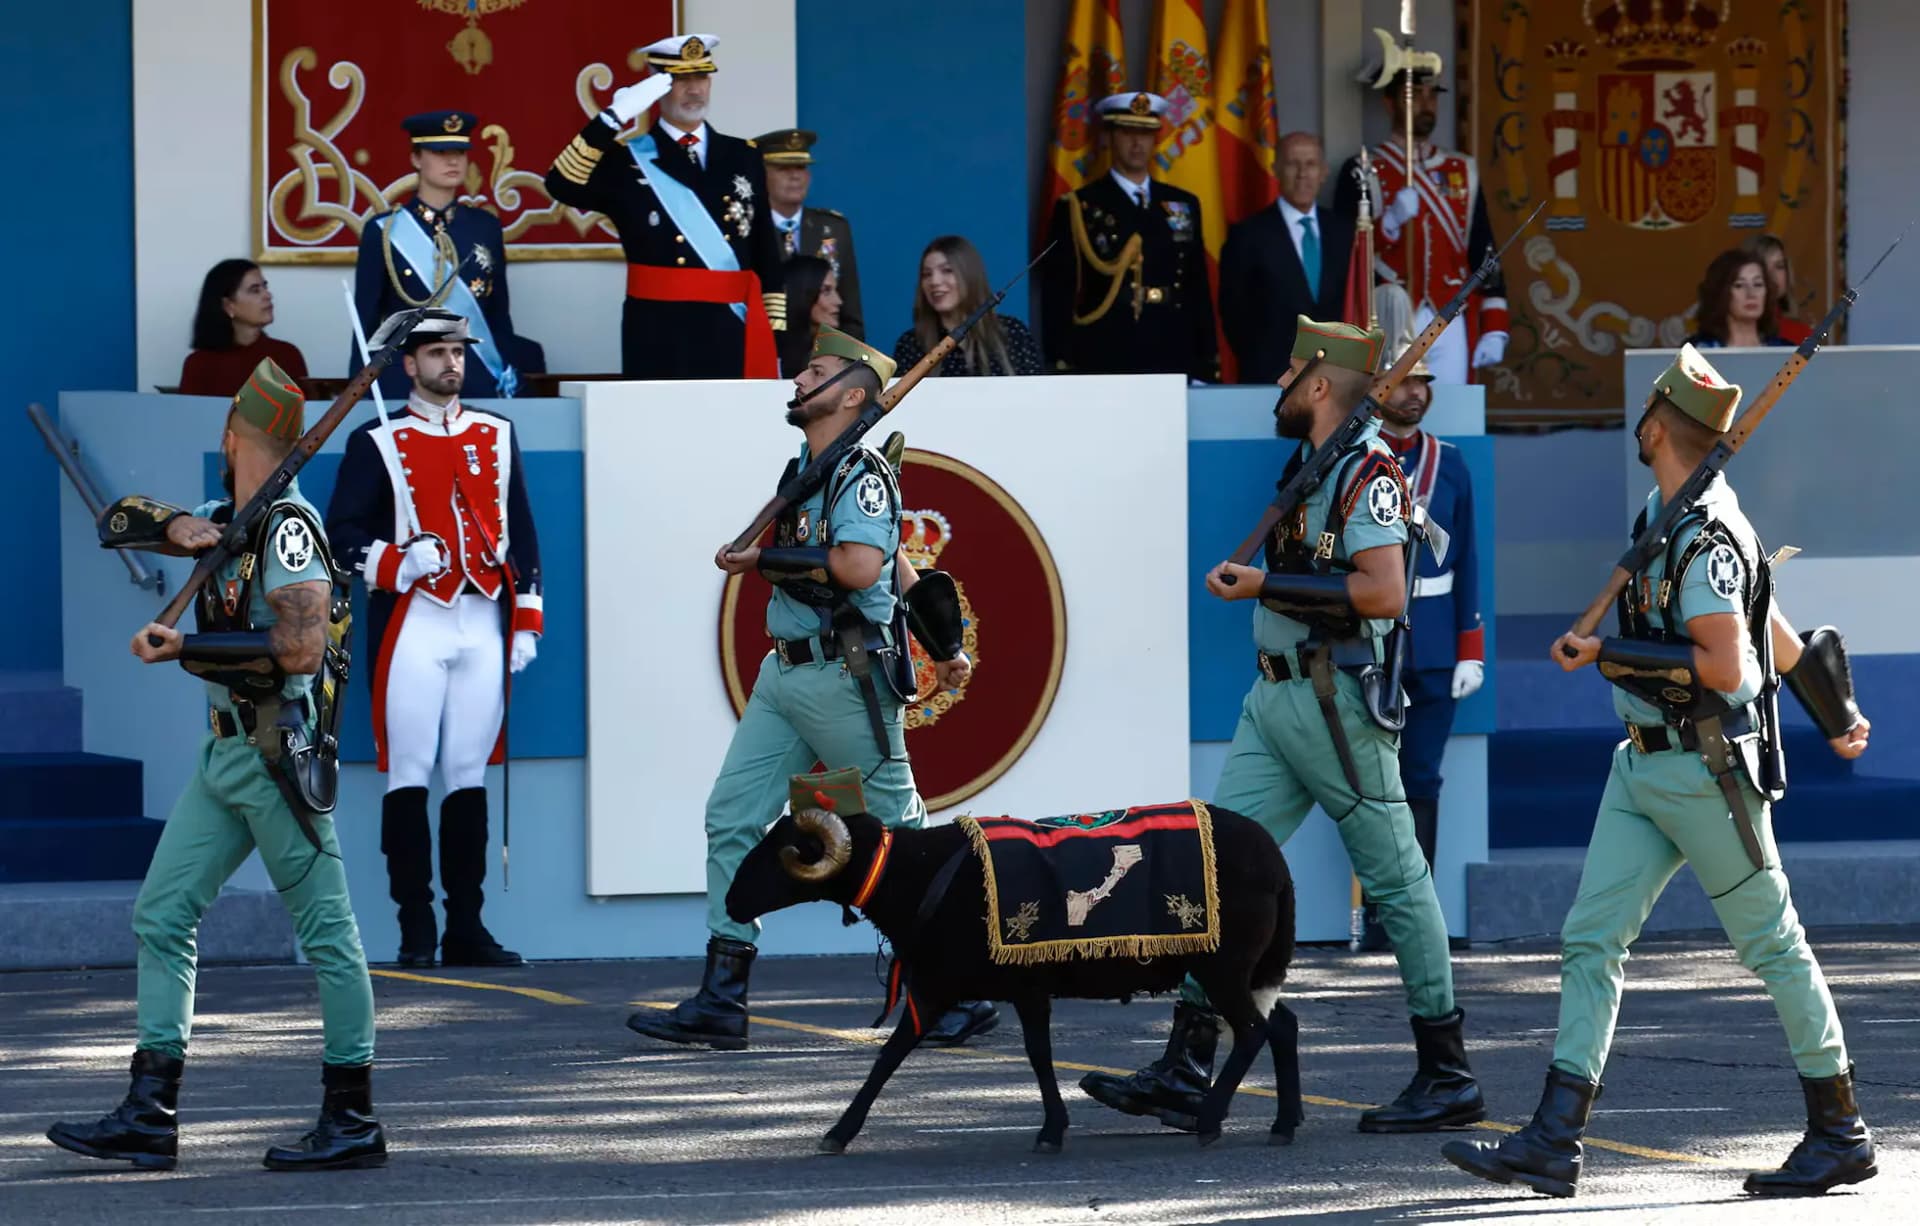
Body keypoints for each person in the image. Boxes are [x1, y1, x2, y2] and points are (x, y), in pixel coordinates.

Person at [1443, 344, 1877, 1199]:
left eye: (1642, 411)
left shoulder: (1708, 533)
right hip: (1641, 766)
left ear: (1655, 425)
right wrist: (1837, 714)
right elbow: (1776, 630)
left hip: (1707, 770)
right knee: (1590, 938)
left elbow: (1727, 664)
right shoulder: (1665, 510)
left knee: (1772, 946)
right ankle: (1555, 1139)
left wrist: (1606, 651)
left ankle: (1841, 1130)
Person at [1080, 317, 1484, 1135]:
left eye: (1293, 371)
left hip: (1334, 704)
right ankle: (1190, 1062)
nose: (1280, 385)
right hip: (1278, 701)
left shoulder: (1366, 471)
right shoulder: (1313, 463)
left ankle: (1449, 1070)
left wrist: (1263, 585)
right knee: (1216, 870)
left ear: (1323, 384)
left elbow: (1384, 594)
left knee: (1400, 882)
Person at [49, 358, 384, 1172]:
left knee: (329, 936)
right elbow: (115, 519)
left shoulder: (288, 528)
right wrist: (172, 526)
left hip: (274, 754)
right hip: (225, 756)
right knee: (163, 914)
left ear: (229, 434)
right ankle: (150, 1110)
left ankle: (353, 1119)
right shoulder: (224, 518)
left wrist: (184, 646)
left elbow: (301, 649)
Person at [625, 327, 998, 1051]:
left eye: (815, 371)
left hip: (844, 673)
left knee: (901, 833)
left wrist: (759, 557)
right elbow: (898, 569)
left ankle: (951, 993)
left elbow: (861, 567)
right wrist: (945, 644)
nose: (798, 379)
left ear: (852, 395)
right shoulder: (809, 467)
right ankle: (722, 997)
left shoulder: (860, 472)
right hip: (787, 675)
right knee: (731, 816)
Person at [325, 311, 543, 970]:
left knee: (469, 774)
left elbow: (524, 534)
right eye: (438, 353)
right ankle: (416, 927)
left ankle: (467, 926)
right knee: (410, 772)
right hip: (413, 620)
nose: (452, 363)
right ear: (407, 363)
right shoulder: (376, 439)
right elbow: (340, 536)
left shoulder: (497, 433)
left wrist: (526, 619)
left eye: (457, 351)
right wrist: (395, 561)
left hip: (482, 617)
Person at [544, 34, 784, 379]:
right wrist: (613, 118)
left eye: (701, 77)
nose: (694, 90)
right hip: (658, 332)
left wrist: (775, 329)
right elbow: (560, 183)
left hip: (732, 326)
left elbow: (765, 247)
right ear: (657, 87)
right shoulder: (627, 160)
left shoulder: (742, 155)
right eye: (680, 79)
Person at [1358, 348, 1482, 950]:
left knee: (1423, 779)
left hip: (1434, 642)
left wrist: (1471, 648)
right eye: (1403, 381)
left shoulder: (1451, 465)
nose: (1415, 393)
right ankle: (1382, 914)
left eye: (1423, 382)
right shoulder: (1356, 458)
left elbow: (1470, 562)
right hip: (1374, 642)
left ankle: (1419, 923)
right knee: (1375, 784)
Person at [1334, 60, 1507, 385]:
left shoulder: (1461, 169)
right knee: (1392, 412)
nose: (1426, 104)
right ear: (1389, 102)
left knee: (1454, 414)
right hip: (1391, 310)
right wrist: (1389, 223)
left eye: (1431, 96)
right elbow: (1346, 254)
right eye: (1414, 96)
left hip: (1451, 309)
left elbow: (1484, 247)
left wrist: (1495, 324)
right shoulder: (1363, 170)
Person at [352, 111, 540, 400]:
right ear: (416, 159)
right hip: (407, 380)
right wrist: (360, 391)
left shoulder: (485, 227)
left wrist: (508, 372)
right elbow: (365, 321)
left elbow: (498, 314)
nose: (453, 161)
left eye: (460, 152)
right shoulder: (384, 230)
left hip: (478, 376)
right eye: (440, 152)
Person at [1041, 92, 1218, 381]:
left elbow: (1197, 287)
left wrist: (1207, 359)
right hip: (1105, 352)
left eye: (1146, 133)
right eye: (1127, 132)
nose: (1137, 143)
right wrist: (1062, 361)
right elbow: (1059, 293)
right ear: (1109, 136)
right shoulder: (1079, 205)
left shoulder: (1182, 203)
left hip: (1173, 349)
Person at [1219, 133, 1355, 384]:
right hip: (1272, 379)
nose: (1302, 173)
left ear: (1323, 172)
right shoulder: (1247, 235)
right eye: (1293, 163)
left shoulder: (1346, 233)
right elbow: (1234, 315)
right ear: (1276, 169)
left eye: (1311, 164)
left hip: (1336, 378)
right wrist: (1265, 363)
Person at [757, 127, 865, 340]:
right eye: (783, 168)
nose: (795, 176)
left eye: (801, 167)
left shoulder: (834, 228)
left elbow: (850, 314)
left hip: (823, 360)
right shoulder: (748, 229)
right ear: (761, 174)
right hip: (766, 356)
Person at [892, 236, 1043, 377]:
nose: (935, 281)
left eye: (947, 270)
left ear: (970, 276)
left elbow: (1038, 395)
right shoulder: (910, 345)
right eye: (926, 274)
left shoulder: (1013, 332)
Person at [177, 260, 308, 396]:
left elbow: (304, 413)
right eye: (255, 290)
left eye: (265, 287)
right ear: (228, 306)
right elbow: (189, 415)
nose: (268, 295)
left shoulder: (287, 355)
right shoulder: (199, 364)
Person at [1688, 248, 1788, 349]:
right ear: (1721, 293)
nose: (1751, 294)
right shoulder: (1698, 350)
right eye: (1739, 285)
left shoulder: (1787, 351)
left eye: (1758, 284)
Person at [776, 255, 841, 378]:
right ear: (801, 294)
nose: (838, 301)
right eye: (826, 291)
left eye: (836, 290)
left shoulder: (838, 356)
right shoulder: (773, 358)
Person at [1744, 233, 1814, 344]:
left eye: (1779, 266)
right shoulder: (1730, 334)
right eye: (1763, 265)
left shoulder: (1803, 333)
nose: (1772, 275)